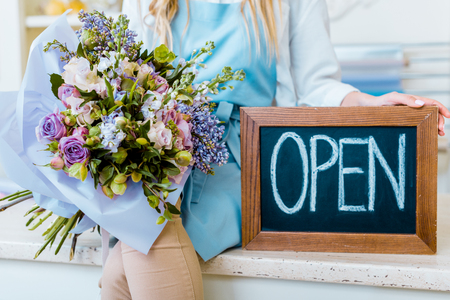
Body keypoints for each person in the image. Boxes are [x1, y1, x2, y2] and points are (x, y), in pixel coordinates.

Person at [100, 0, 450, 299]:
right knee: (129, 255)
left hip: (246, 156)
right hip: (165, 149)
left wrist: (368, 104)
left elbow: (316, 84)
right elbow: (128, 82)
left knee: (137, 244)